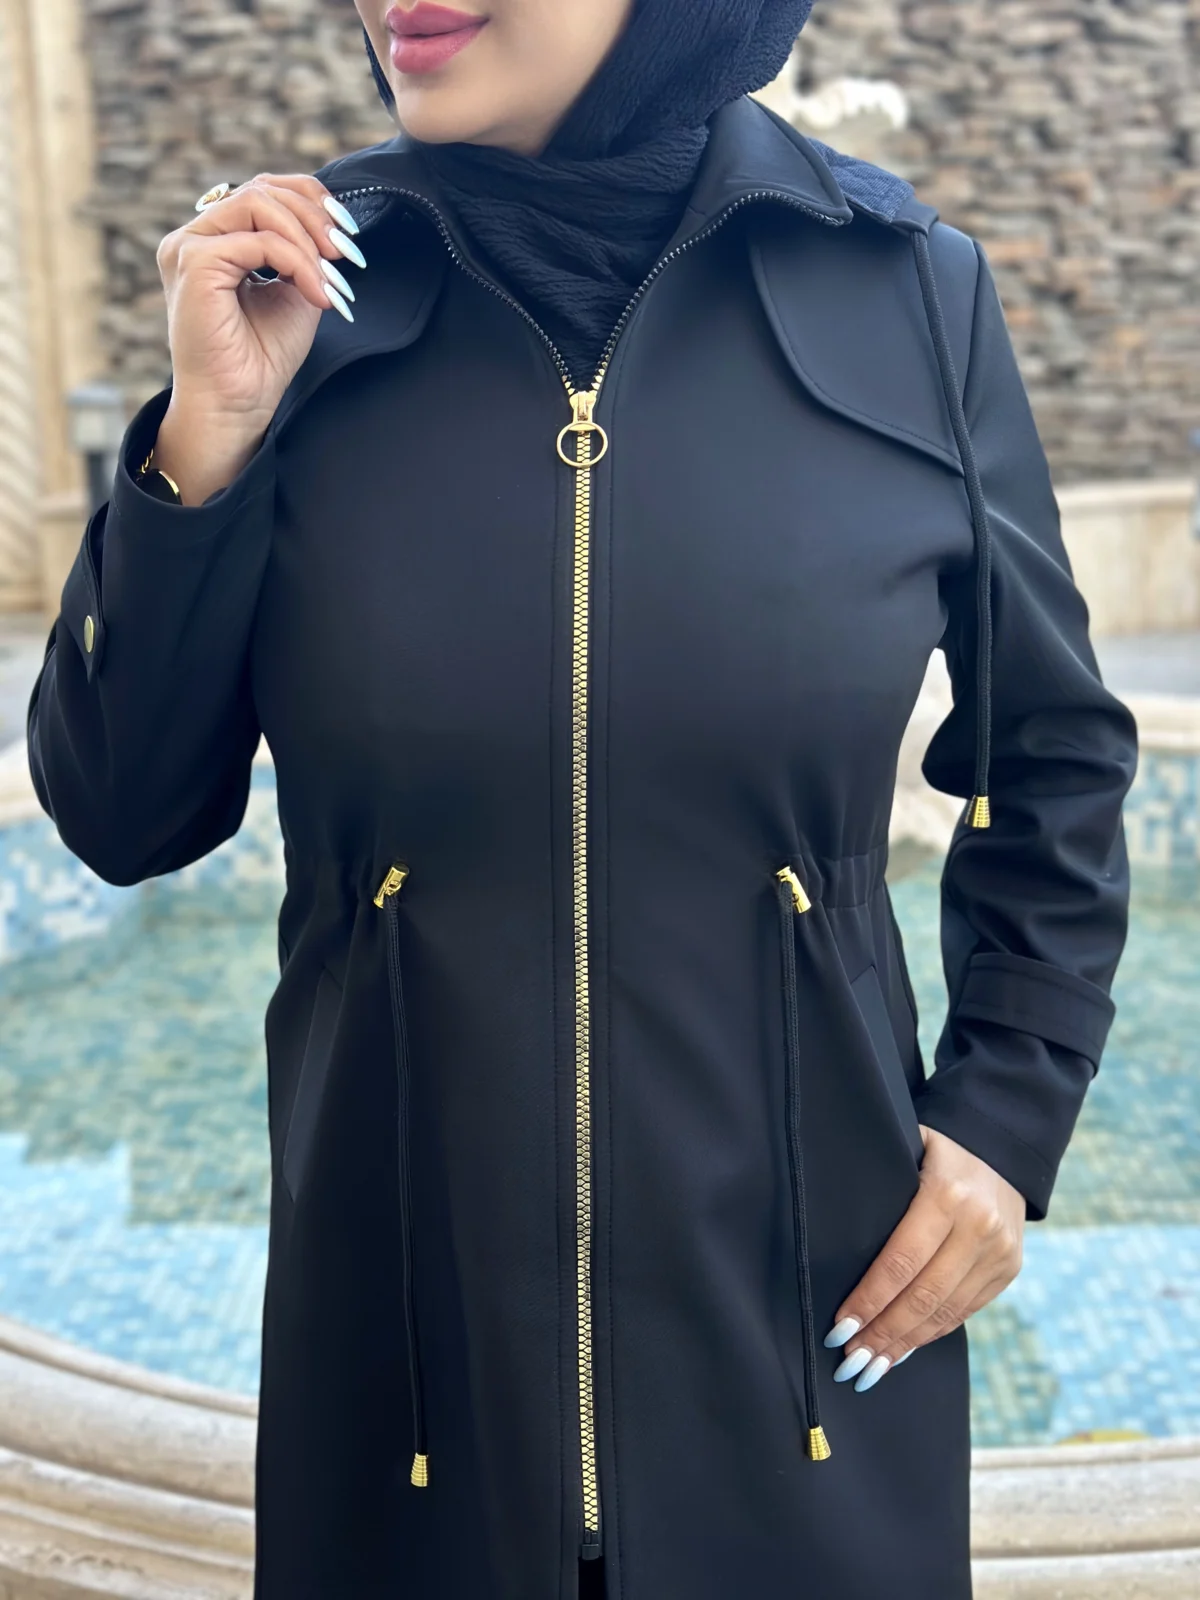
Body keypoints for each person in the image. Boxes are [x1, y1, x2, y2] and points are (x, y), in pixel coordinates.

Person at [26, 1, 1138, 1596]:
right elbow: (122, 815)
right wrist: (201, 445)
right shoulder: (299, 300)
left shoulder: (904, 289)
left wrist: (1006, 1115)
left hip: (811, 1367)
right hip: (406, 1391)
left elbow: (1054, 748)